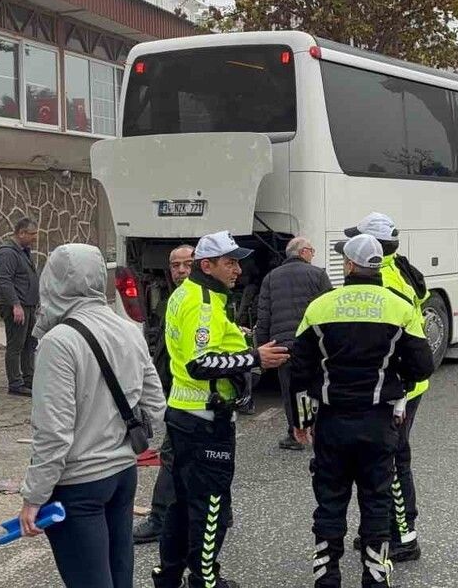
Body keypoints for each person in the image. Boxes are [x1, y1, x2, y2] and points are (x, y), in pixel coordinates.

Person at [290, 234, 435, 588]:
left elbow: (299, 369)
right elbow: (422, 366)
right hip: (378, 422)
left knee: (330, 500)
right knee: (376, 499)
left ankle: (327, 576)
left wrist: (300, 420)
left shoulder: (320, 306)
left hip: (332, 421)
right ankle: (374, 575)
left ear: (350, 266)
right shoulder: (399, 306)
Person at [18, 243, 166, 588]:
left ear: (51, 283)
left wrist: (34, 496)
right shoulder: (129, 330)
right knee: (119, 576)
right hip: (123, 473)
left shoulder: (59, 341)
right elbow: (156, 406)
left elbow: (53, 432)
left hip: (78, 483)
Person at [152, 231, 290, 588]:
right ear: (207, 265)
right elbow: (201, 362)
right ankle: (204, 579)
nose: (238, 270)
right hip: (204, 419)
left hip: (184, 412)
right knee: (211, 506)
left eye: (237, 262)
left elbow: (204, 345)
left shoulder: (191, 294)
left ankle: (168, 576)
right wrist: (254, 357)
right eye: (230, 263)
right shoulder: (202, 302)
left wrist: (241, 339)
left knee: (181, 504)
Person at [343, 212, 429, 560]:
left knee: (393, 460)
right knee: (386, 458)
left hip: (399, 386)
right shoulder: (399, 268)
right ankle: (382, 531)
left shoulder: (388, 279)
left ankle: (403, 538)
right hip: (406, 382)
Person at [133, 243, 194, 545]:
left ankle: (159, 519)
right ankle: (220, 512)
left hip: (191, 400)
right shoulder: (175, 299)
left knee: (172, 458)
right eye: (175, 265)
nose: (181, 271)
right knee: (205, 460)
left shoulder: (197, 300)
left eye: (188, 264)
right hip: (183, 396)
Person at [256, 237, 333, 451]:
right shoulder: (318, 275)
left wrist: (262, 350)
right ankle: (318, 430)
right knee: (316, 386)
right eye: (312, 251)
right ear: (304, 252)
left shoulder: (270, 278)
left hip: (283, 346)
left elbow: (263, 317)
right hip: (314, 344)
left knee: (291, 390)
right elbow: (330, 309)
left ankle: (295, 433)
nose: (313, 255)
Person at [0, 217, 41, 397]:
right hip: (16, 306)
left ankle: (29, 379)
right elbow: (5, 281)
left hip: (28, 305)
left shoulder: (23, 251)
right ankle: (15, 383)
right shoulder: (7, 253)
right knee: (16, 344)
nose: (34, 238)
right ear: (21, 233)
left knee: (30, 342)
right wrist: (16, 304)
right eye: (32, 234)